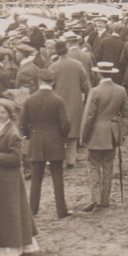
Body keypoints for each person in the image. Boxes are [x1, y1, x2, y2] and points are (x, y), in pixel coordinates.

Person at [0, 98, 39, 256]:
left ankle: (12, 249)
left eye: (3, 112)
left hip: (10, 178)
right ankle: (14, 245)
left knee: (11, 212)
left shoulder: (13, 132)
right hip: (1, 177)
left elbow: (16, 159)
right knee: (8, 212)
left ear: (9, 114)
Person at [79, 61, 128, 213]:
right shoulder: (120, 90)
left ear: (99, 73)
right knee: (108, 166)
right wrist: (121, 130)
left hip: (95, 134)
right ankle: (105, 199)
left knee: (94, 166)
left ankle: (95, 199)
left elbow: (89, 116)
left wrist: (83, 136)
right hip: (112, 135)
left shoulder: (95, 91)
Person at [20, 65, 70, 219]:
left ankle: (32, 210)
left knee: (36, 178)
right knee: (57, 176)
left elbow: (22, 123)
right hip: (54, 141)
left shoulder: (29, 100)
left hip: (36, 142)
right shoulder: (58, 100)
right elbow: (65, 124)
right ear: (53, 82)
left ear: (39, 81)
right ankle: (61, 210)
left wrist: (30, 136)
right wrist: (62, 136)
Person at [50, 40, 90, 168]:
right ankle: (71, 160)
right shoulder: (78, 65)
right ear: (67, 49)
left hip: (58, 103)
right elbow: (86, 85)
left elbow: (49, 86)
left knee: (58, 131)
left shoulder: (53, 67)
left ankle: (58, 158)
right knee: (73, 132)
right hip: (75, 102)